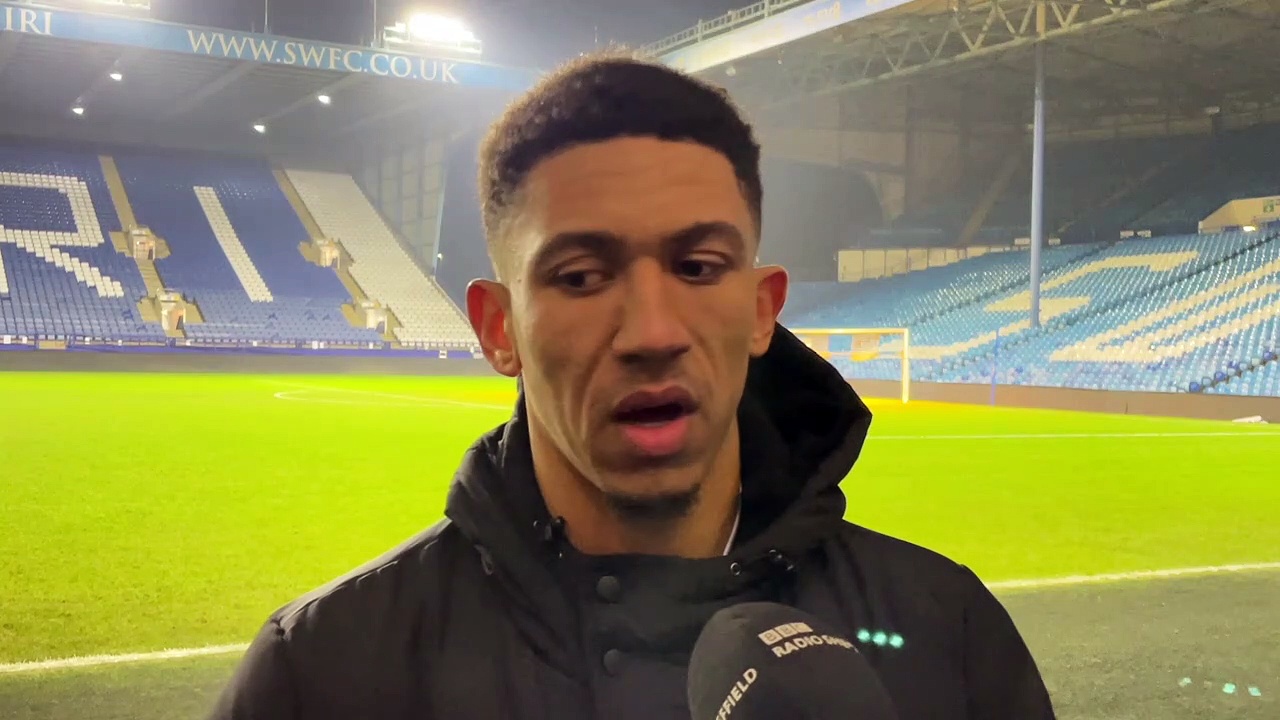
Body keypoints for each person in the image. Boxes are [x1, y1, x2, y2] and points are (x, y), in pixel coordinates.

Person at [209, 53, 1055, 719]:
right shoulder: (324, 670)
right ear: (499, 329)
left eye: (699, 266)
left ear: (762, 312)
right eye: (581, 277)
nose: (652, 333)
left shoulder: (949, 631)